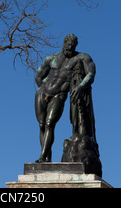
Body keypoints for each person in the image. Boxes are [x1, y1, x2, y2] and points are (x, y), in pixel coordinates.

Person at [34, 34, 96, 163]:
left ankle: (41, 156)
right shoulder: (51, 58)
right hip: (42, 92)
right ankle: (46, 158)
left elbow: (91, 73)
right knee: (42, 125)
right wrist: (43, 87)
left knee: (49, 123)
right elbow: (39, 76)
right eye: (68, 44)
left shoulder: (81, 58)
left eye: (72, 46)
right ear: (63, 44)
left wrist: (81, 86)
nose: (70, 47)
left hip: (59, 95)